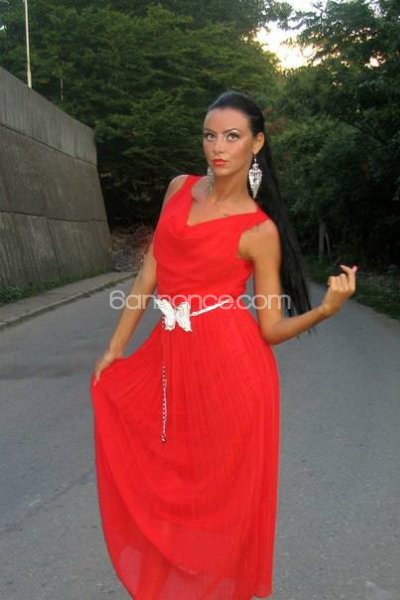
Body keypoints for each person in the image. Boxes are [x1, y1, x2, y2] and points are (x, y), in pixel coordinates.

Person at [90, 90, 357, 600]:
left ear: (256, 144)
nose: (218, 147)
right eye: (210, 135)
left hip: (232, 374)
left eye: (232, 137)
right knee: (168, 484)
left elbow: (270, 328)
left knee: (217, 502)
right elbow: (150, 272)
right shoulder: (179, 189)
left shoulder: (259, 230)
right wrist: (114, 347)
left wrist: (325, 309)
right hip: (171, 357)